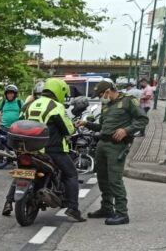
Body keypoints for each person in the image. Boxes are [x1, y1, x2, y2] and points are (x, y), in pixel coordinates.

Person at [9, 78, 85, 222]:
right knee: (71, 175)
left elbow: (19, 122)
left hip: (28, 149)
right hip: (52, 150)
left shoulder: (29, 105)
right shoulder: (56, 106)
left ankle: (9, 201)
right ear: (59, 91)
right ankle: (73, 209)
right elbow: (68, 129)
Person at [79, 79, 149, 225]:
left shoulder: (128, 101)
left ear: (108, 91)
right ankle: (107, 208)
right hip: (102, 144)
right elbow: (102, 127)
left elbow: (142, 119)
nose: (100, 98)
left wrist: (126, 130)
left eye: (101, 94)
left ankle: (122, 213)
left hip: (117, 146)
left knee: (115, 180)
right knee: (102, 178)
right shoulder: (107, 105)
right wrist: (86, 124)